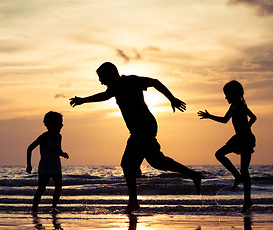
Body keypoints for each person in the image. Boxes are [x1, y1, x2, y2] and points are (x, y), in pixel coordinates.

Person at [70, 62, 202, 213]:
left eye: (102, 78)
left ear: (111, 74)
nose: (101, 82)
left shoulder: (130, 81)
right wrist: (83, 100)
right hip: (141, 129)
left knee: (129, 165)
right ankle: (193, 175)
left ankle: (134, 203)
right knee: (156, 161)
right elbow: (104, 96)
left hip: (144, 127)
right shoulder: (114, 87)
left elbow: (155, 82)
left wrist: (172, 98)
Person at [198, 80, 256, 212]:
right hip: (239, 138)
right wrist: (209, 116)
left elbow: (254, 117)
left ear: (234, 93)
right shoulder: (234, 105)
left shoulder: (241, 105)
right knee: (220, 155)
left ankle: (247, 200)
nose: (225, 97)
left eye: (227, 94)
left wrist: (248, 125)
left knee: (244, 170)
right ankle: (238, 179)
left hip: (245, 138)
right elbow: (225, 120)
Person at [26, 111, 69, 214]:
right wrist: (29, 165)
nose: (62, 125)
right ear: (50, 124)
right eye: (60, 122)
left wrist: (63, 154)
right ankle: (34, 210)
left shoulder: (59, 137)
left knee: (58, 187)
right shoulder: (44, 137)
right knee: (41, 189)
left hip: (56, 166)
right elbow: (30, 148)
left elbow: (58, 150)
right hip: (45, 168)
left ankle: (54, 207)